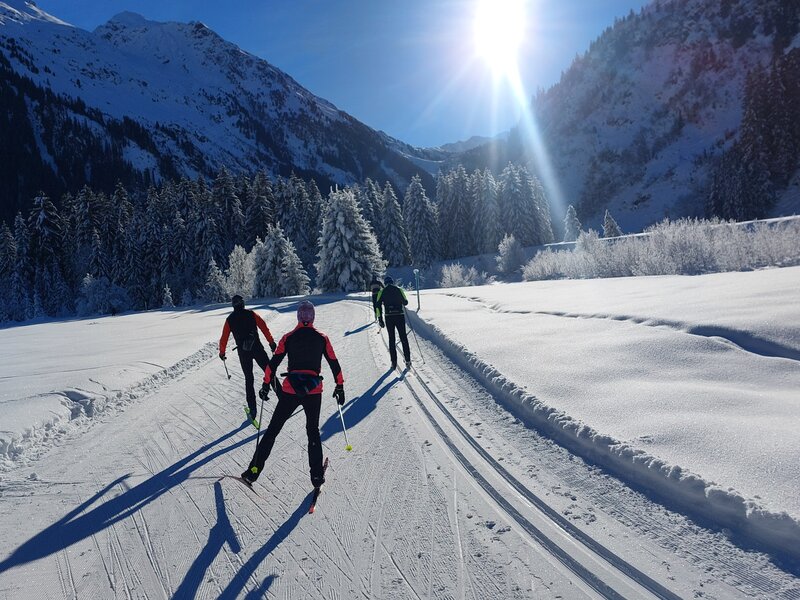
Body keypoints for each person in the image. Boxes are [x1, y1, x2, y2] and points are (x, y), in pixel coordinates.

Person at [241, 300, 345, 491]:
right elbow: (334, 362)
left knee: (272, 431)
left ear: (298, 317)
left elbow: (272, 364)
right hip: (313, 391)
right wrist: (339, 386)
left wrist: (266, 384)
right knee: (312, 431)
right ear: (313, 317)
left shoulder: (288, 338)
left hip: (290, 391)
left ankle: (252, 472)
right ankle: (316, 477)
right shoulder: (322, 338)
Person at [219, 295, 277, 426]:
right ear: (243, 303)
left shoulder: (230, 319)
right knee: (269, 371)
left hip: (243, 353)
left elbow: (224, 337)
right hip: (257, 349)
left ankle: (253, 409)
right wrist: (271, 342)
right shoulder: (251, 314)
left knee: (249, 379)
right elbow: (263, 327)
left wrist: (222, 352)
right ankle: (283, 398)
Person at [375, 276, 411, 369]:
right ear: (392, 282)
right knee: (403, 338)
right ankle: (408, 360)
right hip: (400, 316)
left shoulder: (382, 291)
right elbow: (405, 302)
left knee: (392, 339)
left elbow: (378, 305)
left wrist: (380, 318)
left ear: (385, 283)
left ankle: (394, 363)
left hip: (389, 317)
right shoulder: (399, 289)